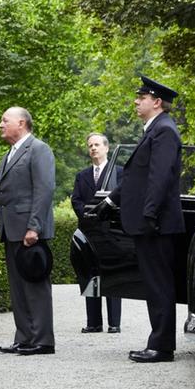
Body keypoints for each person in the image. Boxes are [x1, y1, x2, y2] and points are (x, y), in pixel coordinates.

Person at [90, 76, 185, 363]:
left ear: (156, 102)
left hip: (156, 224)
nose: (136, 101)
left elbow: (159, 178)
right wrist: (110, 201)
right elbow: (136, 177)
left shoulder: (164, 131)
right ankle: (158, 342)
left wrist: (149, 215)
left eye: (141, 97)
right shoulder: (155, 130)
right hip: (152, 221)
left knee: (159, 284)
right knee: (154, 283)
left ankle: (162, 346)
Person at [0, 107, 56, 356]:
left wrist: (34, 226)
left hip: (29, 231)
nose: (0, 124)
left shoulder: (39, 149)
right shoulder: (9, 154)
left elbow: (44, 190)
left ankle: (42, 341)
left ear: (21, 123)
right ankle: (24, 338)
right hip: (11, 230)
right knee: (18, 287)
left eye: (4, 120)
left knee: (35, 285)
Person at [70, 133, 122, 334]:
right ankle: (93, 323)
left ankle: (114, 323)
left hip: (112, 230)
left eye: (97, 144)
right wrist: (88, 215)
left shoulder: (120, 172)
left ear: (106, 148)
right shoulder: (81, 175)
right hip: (89, 231)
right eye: (90, 145)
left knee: (113, 275)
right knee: (90, 274)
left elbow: (123, 197)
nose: (93, 148)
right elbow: (76, 200)